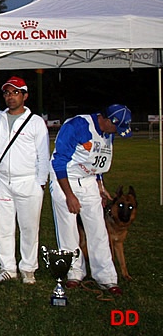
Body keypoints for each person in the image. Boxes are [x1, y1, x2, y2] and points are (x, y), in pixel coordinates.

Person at [50, 103, 132, 296]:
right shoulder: (77, 126)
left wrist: (100, 184)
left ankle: (106, 277)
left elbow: (97, 160)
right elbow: (59, 162)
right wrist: (69, 196)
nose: (117, 133)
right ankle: (74, 272)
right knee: (68, 230)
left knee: (98, 229)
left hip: (88, 182)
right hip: (65, 179)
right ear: (107, 120)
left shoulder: (108, 132)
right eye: (117, 128)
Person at [0, 77, 50, 284]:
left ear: (25, 96)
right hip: (2, 182)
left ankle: (28, 268)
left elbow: (43, 156)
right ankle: (7, 267)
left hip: (28, 181)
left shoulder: (35, 122)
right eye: (7, 93)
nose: (11, 96)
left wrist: (40, 182)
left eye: (15, 92)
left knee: (28, 228)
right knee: (4, 227)